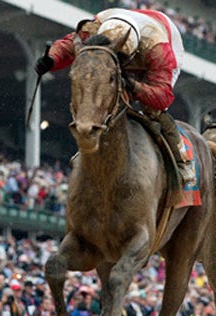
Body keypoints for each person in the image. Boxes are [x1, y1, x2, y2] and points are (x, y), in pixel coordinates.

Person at [33, 7, 194, 185]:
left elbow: (163, 96)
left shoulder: (159, 51)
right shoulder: (93, 29)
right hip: (123, 25)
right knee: (99, 86)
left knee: (153, 109)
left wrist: (134, 86)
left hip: (166, 36)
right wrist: (50, 60)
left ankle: (182, 161)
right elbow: (68, 46)